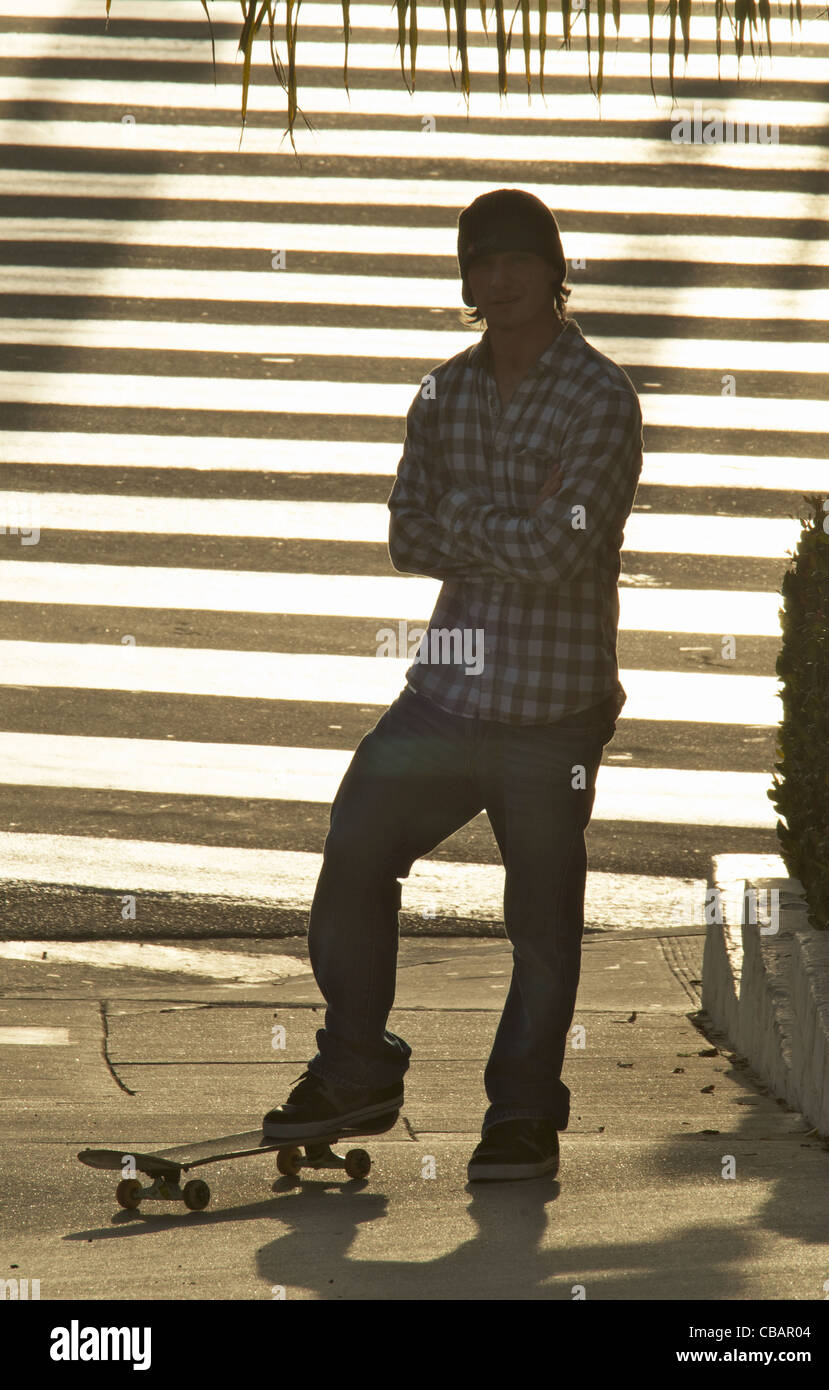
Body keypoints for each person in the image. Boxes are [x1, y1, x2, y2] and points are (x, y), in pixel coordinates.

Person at [263, 188, 644, 1181]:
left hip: (551, 712)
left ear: (557, 274)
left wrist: (469, 523)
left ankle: (523, 1116)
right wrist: (506, 522)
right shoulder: (443, 393)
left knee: (542, 915)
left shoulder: (601, 399)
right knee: (355, 844)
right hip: (447, 692)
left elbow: (565, 551)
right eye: (483, 263)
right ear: (466, 280)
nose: (501, 280)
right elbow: (405, 534)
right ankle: (356, 1066)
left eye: (521, 260)